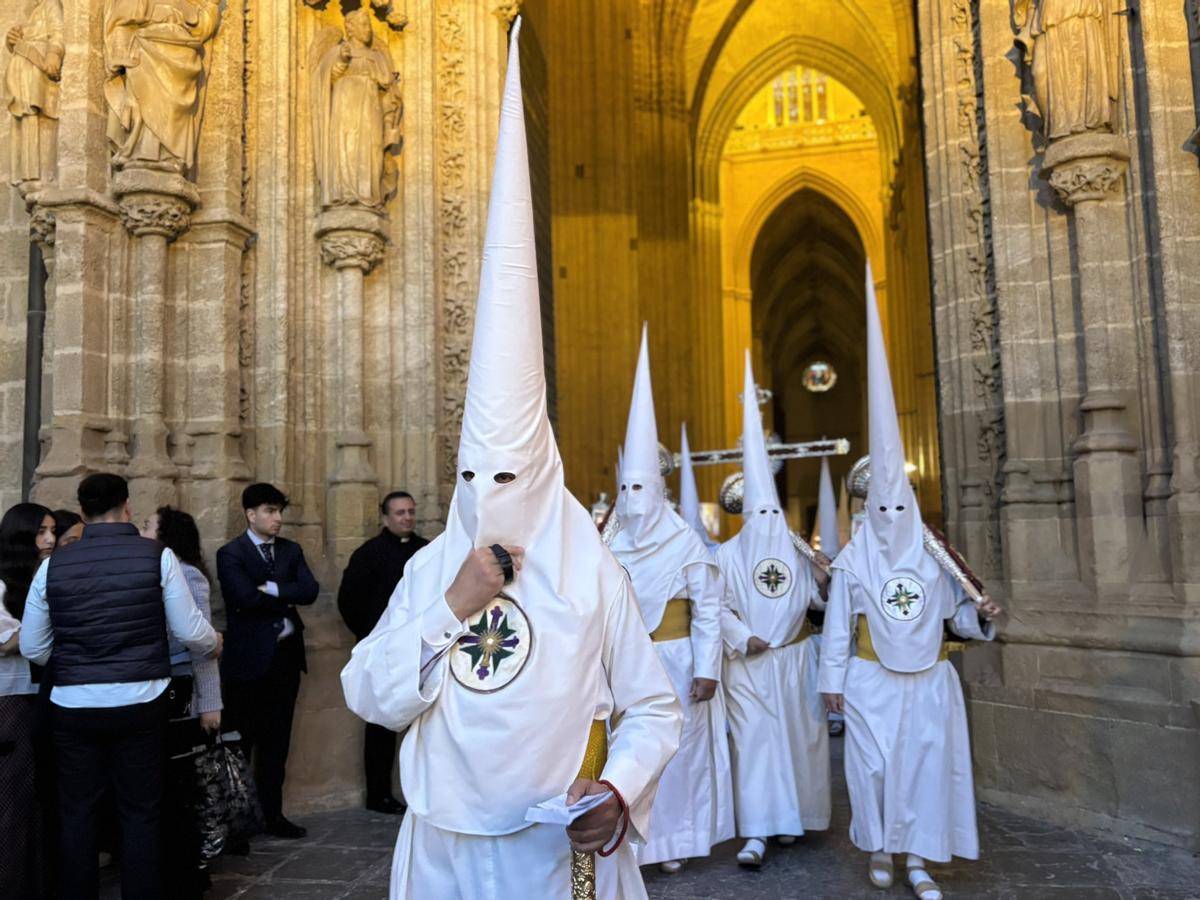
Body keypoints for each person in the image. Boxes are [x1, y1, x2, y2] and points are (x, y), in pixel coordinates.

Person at [341, 20, 681, 899]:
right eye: (472, 481)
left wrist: (619, 787)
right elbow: (373, 697)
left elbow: (651, 706)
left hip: (556, 851)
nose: (489, 497)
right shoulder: (427, 575)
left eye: (508, 480)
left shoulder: (592, 573)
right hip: (445, 851)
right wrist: (452, 604)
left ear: (543, 479)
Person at [818, 265, 1002, 900]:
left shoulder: (935, 556)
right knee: (872, 769)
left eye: (901, 506)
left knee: (923, 770)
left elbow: (961, 615)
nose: (892, 518)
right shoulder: (851, 564)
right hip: (870, 679)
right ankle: (879, 849)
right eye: (882, 508)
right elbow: (837, 628)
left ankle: (919, 860)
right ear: (867, 510)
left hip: (928, 680)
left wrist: (985, 614)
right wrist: (832, 683)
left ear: (911, 503)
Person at [19, 473, 220, 900]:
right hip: (141, 700)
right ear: (126, 506)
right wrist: (213, 641)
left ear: (81, 510)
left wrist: (77, 661)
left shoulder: (53, 565)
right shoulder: (158, 556)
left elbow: (35, 645)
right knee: (141, 813)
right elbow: (190, 630)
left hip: (72, 702)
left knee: (77, 813)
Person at [610, 327, 734, 874]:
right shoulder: (605, 538)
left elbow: (708, 608)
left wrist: (708, 667)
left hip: (679, 659)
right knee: (627, 752)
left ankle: (674, 843)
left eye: (642, 489)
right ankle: (630, 842)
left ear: (659, 492)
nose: (633, 500)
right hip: (622, 663)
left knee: (677, 755)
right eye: (625, 489)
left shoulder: (685, 541)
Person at [716, 352, 832, 868]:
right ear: (746, 511)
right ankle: (759, 831)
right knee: (756, 746)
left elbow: (820, 601)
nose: (764, 517)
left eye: (771, 509)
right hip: (750, 665)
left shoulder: (797, 550)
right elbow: (712, 607)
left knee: (796, 742)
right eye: (756, 510)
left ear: (777, 508)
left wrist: (825, 578)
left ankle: (793, 821)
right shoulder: (725, 554)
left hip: (794, 662)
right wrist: (743, 638)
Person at [218, 482, 319, 839]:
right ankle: (239, 824)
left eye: (279, 511)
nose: (277, 519)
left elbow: (310, 590)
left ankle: (273, 815)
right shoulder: (231, 553)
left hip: (285, 661)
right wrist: (283, 596)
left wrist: (274, 589)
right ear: (251, 514)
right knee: (242, 742)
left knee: (278, 743)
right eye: (269, 511)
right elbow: (244, 597)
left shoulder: (290, 550)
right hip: (248, 662)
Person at [142, 506, 223, 897]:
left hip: (179, 690)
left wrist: (211, 703)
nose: (142, 530)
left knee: (179, 788)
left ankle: (187, 872)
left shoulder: (188, 575)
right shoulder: (151, 571)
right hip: (156, 687)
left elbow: (203, 648)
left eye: (148, 526)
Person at [338, 490, 428, 815]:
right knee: (381, 725)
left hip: (423, 650)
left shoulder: (426, 552)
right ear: (385, 517)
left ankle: (426, 793)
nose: (407, 518)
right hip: (386, 654)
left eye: (411, 512)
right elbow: (348, 601)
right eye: (400, 513)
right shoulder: (368, 554)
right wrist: (372, 639)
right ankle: (379, 794)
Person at [0, 502, 55, 898]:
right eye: (40, 531)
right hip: (9, 699)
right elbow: (6, 644)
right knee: (13, 799)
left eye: (52, 530)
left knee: (38, 800)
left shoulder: (43, 576)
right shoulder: (2, 583)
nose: (49, 539)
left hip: (42, 696)